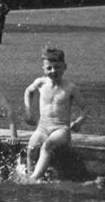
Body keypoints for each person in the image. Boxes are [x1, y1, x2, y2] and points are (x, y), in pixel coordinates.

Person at [23, 47, 88, 181]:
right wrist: (28, 111)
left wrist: (79, 121)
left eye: (57, 67)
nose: (53, 71)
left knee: (48, 145)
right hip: (42, 128)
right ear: (43, 68)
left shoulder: (70, 87)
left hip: (61, 129)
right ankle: (30, 176)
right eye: (49, 68)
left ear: (65, 67)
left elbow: (85, 108)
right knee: (31, 149)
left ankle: (34, 178)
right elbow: (28, 92)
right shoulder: (41, 83)